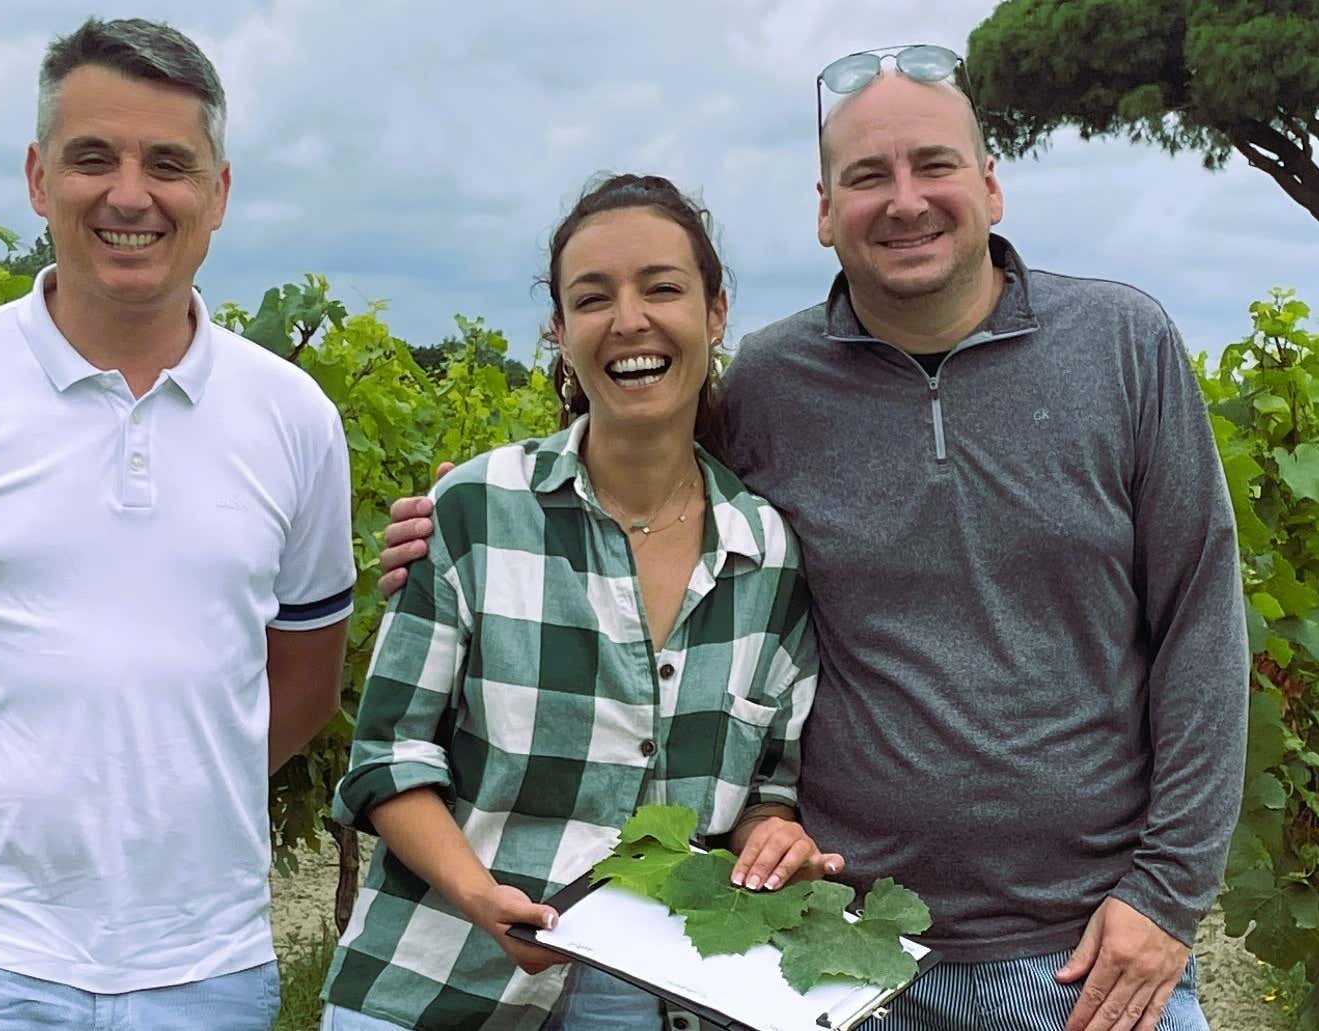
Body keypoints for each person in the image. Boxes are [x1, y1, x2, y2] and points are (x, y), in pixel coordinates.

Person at [376, 44, 1247, 1031]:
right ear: (825, 211)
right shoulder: (771, 384)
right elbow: (633, 459)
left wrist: (1167, 896)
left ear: (992, 186)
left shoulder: (1123, 346)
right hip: (838, 954)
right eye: (867, 177)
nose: (905, 199)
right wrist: (469, 501)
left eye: (935, 165)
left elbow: (1202, 631)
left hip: (1088, 958)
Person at [0, 16, 354, 1029]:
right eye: (95, 158)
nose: (130, 194)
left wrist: (166, 802)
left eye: (168, 163)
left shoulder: (295, 418)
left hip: (202, 967)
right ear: (41, 179)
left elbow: (304, 680)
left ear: (217, 194)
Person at [320, 174, 836, 1031]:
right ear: (559, 332)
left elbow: (767, 788)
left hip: (659, 997)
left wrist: (772, 835)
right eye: (592, 298)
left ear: (715, 313)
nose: (629, 319)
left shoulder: (767, 553)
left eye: (662, 287)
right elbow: (389, 756)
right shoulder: (479, 511)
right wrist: (481, 895)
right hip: (445, 978)